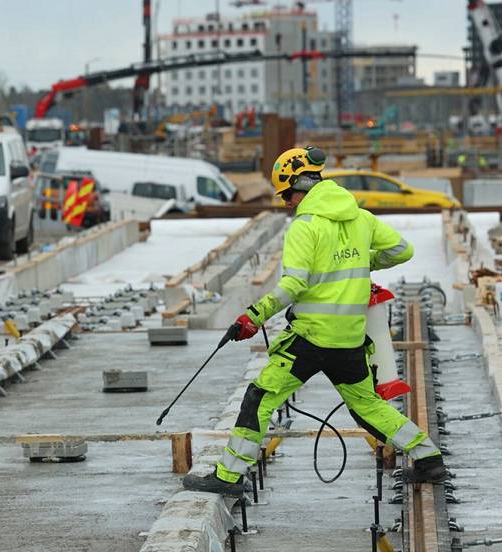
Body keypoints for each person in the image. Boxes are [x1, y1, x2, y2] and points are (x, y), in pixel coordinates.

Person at [183, 146, 448, 496]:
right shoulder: (361, 218)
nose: (286, 204)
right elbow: (403, 251)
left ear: (299, 186)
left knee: (259, 398)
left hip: (310, 339)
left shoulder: (304, 228)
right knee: (367, 406)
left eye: (287, 196)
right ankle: (428, 458)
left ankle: (228, 476)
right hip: (350, 339)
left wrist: (253, 316)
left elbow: (292, 285)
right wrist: (361, 262)